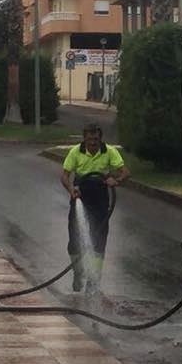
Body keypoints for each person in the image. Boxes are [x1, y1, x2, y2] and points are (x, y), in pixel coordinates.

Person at [61, 123, 129, 295]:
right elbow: (64, 176)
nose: (93, 143)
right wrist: (71, 190)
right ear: (84, 138)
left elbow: (125, 172)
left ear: (101, 139)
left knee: (99, 242)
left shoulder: (109, 151)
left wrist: (116, 180)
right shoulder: (76, 152)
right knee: (74, 242)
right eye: (90, 139)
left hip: (100, 200)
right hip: (80, 198)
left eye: (96, 139)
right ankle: (78, 272)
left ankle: (94, 280)